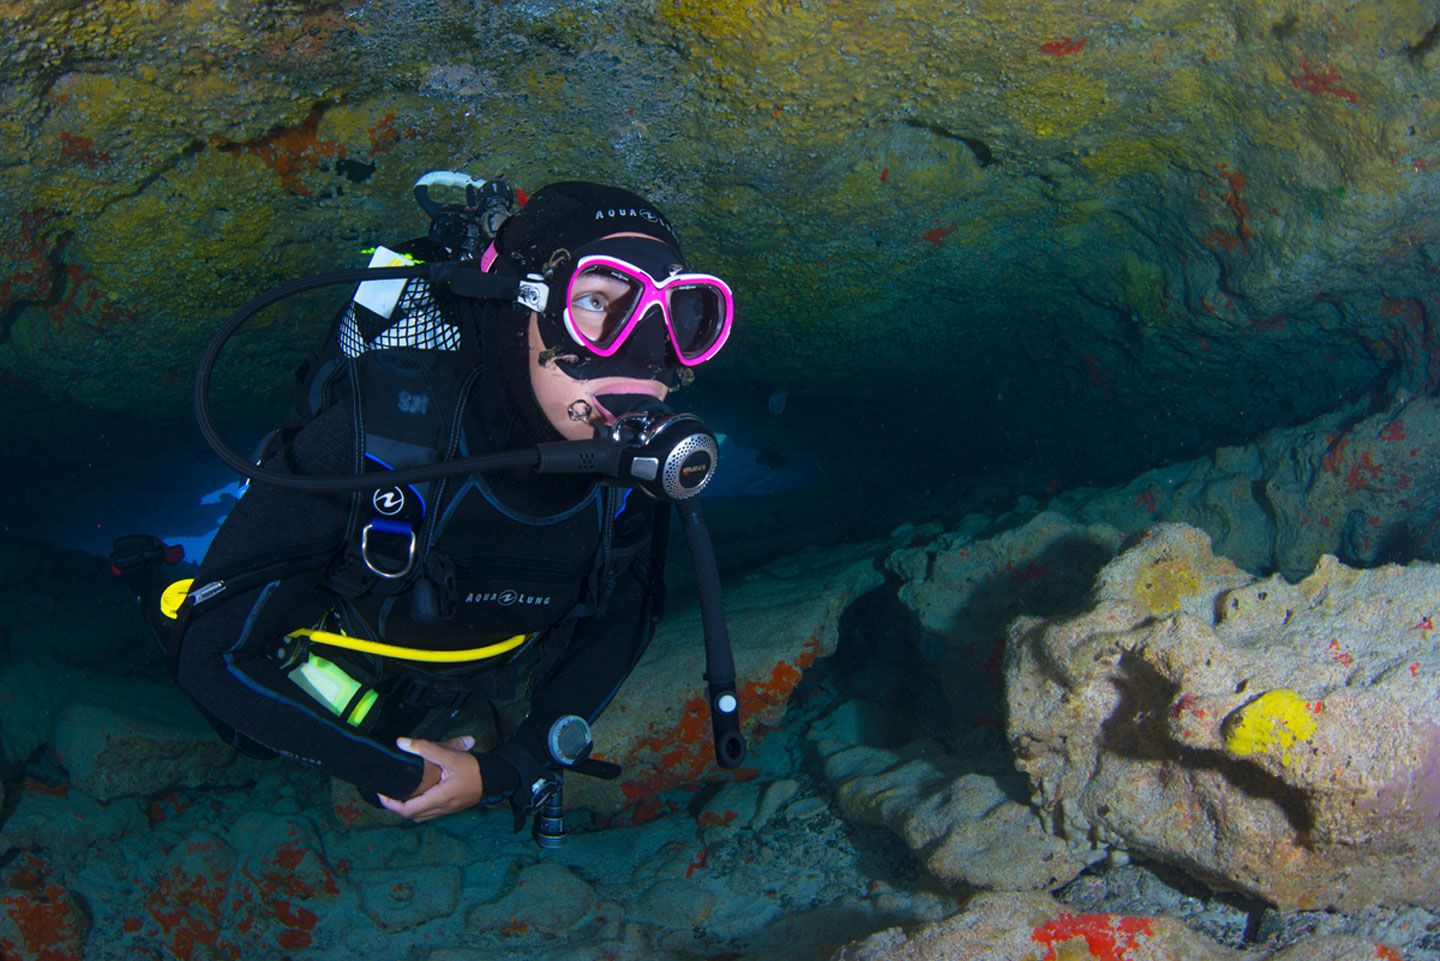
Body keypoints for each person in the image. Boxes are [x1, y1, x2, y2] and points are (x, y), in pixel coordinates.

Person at [168, 181, 735, 824]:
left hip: (487, 678)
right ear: (511, 312)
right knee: (241, 731)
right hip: (339, 672)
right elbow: (211, 655)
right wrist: (398, 775)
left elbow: (623, 621)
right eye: (596, 300)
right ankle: (148, 570)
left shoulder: (635, 472)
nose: (644, 355)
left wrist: (512, 765)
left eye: (680, 315)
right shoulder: (374, 440)